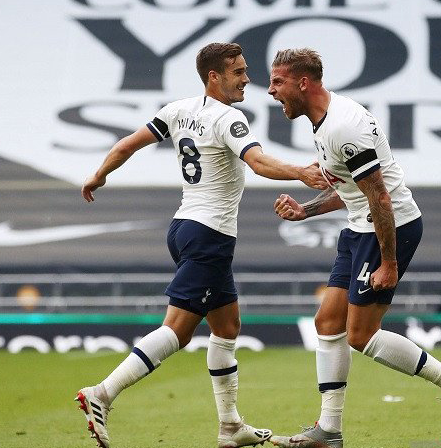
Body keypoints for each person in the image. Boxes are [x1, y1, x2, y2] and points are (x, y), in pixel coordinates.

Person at [75, 42, 326, 448]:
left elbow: (125, 145)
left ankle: (230, 427)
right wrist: (301, 171)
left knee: (226, 328)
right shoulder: (229, 119)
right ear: (215, 76)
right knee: (178, 330)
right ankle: (103, 392)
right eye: (239, 72)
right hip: (209, 234)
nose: (247, 79)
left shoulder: (176, 111)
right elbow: (258, 162)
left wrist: (98, 175)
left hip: (184, 228)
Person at [268, 48, 441, 448]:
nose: (270, 90)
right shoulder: (324, 122)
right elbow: (352, 191)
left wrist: (389, 262)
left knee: (360, 335)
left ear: (303, 82)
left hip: (389, 228)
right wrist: (306, 211)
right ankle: (328, 431)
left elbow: (381, 198)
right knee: (327, 324)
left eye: (277, 82)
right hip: (360, 227)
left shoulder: (342, 128)